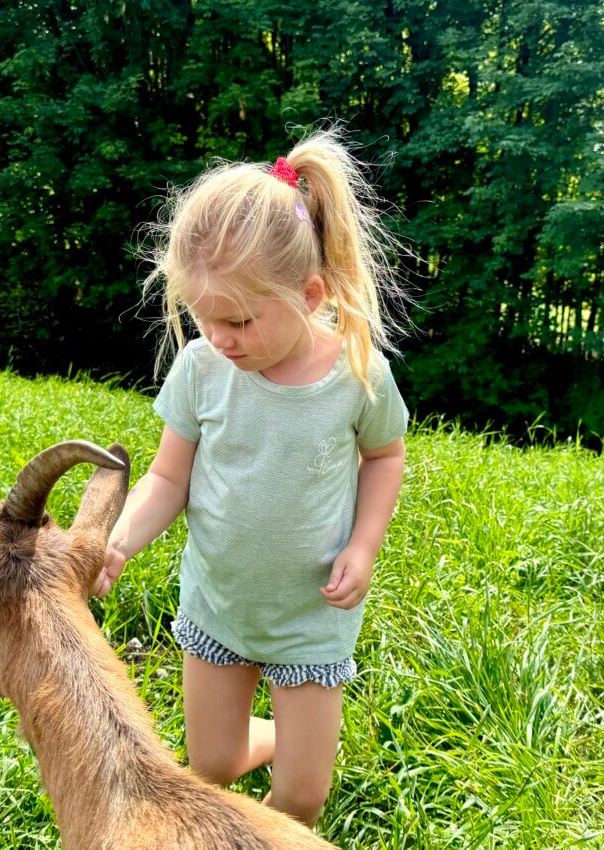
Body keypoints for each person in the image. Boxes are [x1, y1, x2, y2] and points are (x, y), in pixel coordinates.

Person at [93, 127, 409, 829]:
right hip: (221, 608)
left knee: (301, 799)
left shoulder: (358, 376)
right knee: (210, 769)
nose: (220, 336)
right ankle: (271, 740)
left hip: (310, 619)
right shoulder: (203, 368)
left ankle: (290, 767)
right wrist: (119, 541)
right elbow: (167, 480)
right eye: (203, 317)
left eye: (238, 319)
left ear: (309, 294)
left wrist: (365, 545)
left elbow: (386, 456)